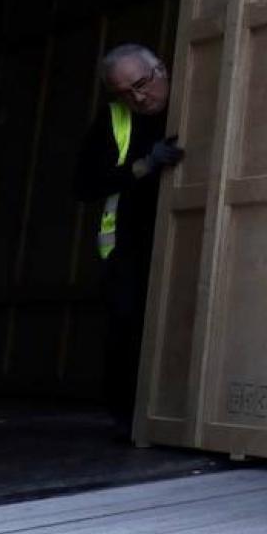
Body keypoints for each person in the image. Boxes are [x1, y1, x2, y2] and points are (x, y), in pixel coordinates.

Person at [72, 43, 184, 440]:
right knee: (127, 327)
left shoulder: (195, 96)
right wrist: (142, 166)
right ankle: (128, 419)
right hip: (129, 244)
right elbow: (83, 185)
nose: (138, 97)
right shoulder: (113, 119)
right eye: (125, 92)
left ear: (162, 70)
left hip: (187, 237)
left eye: (142, 84)